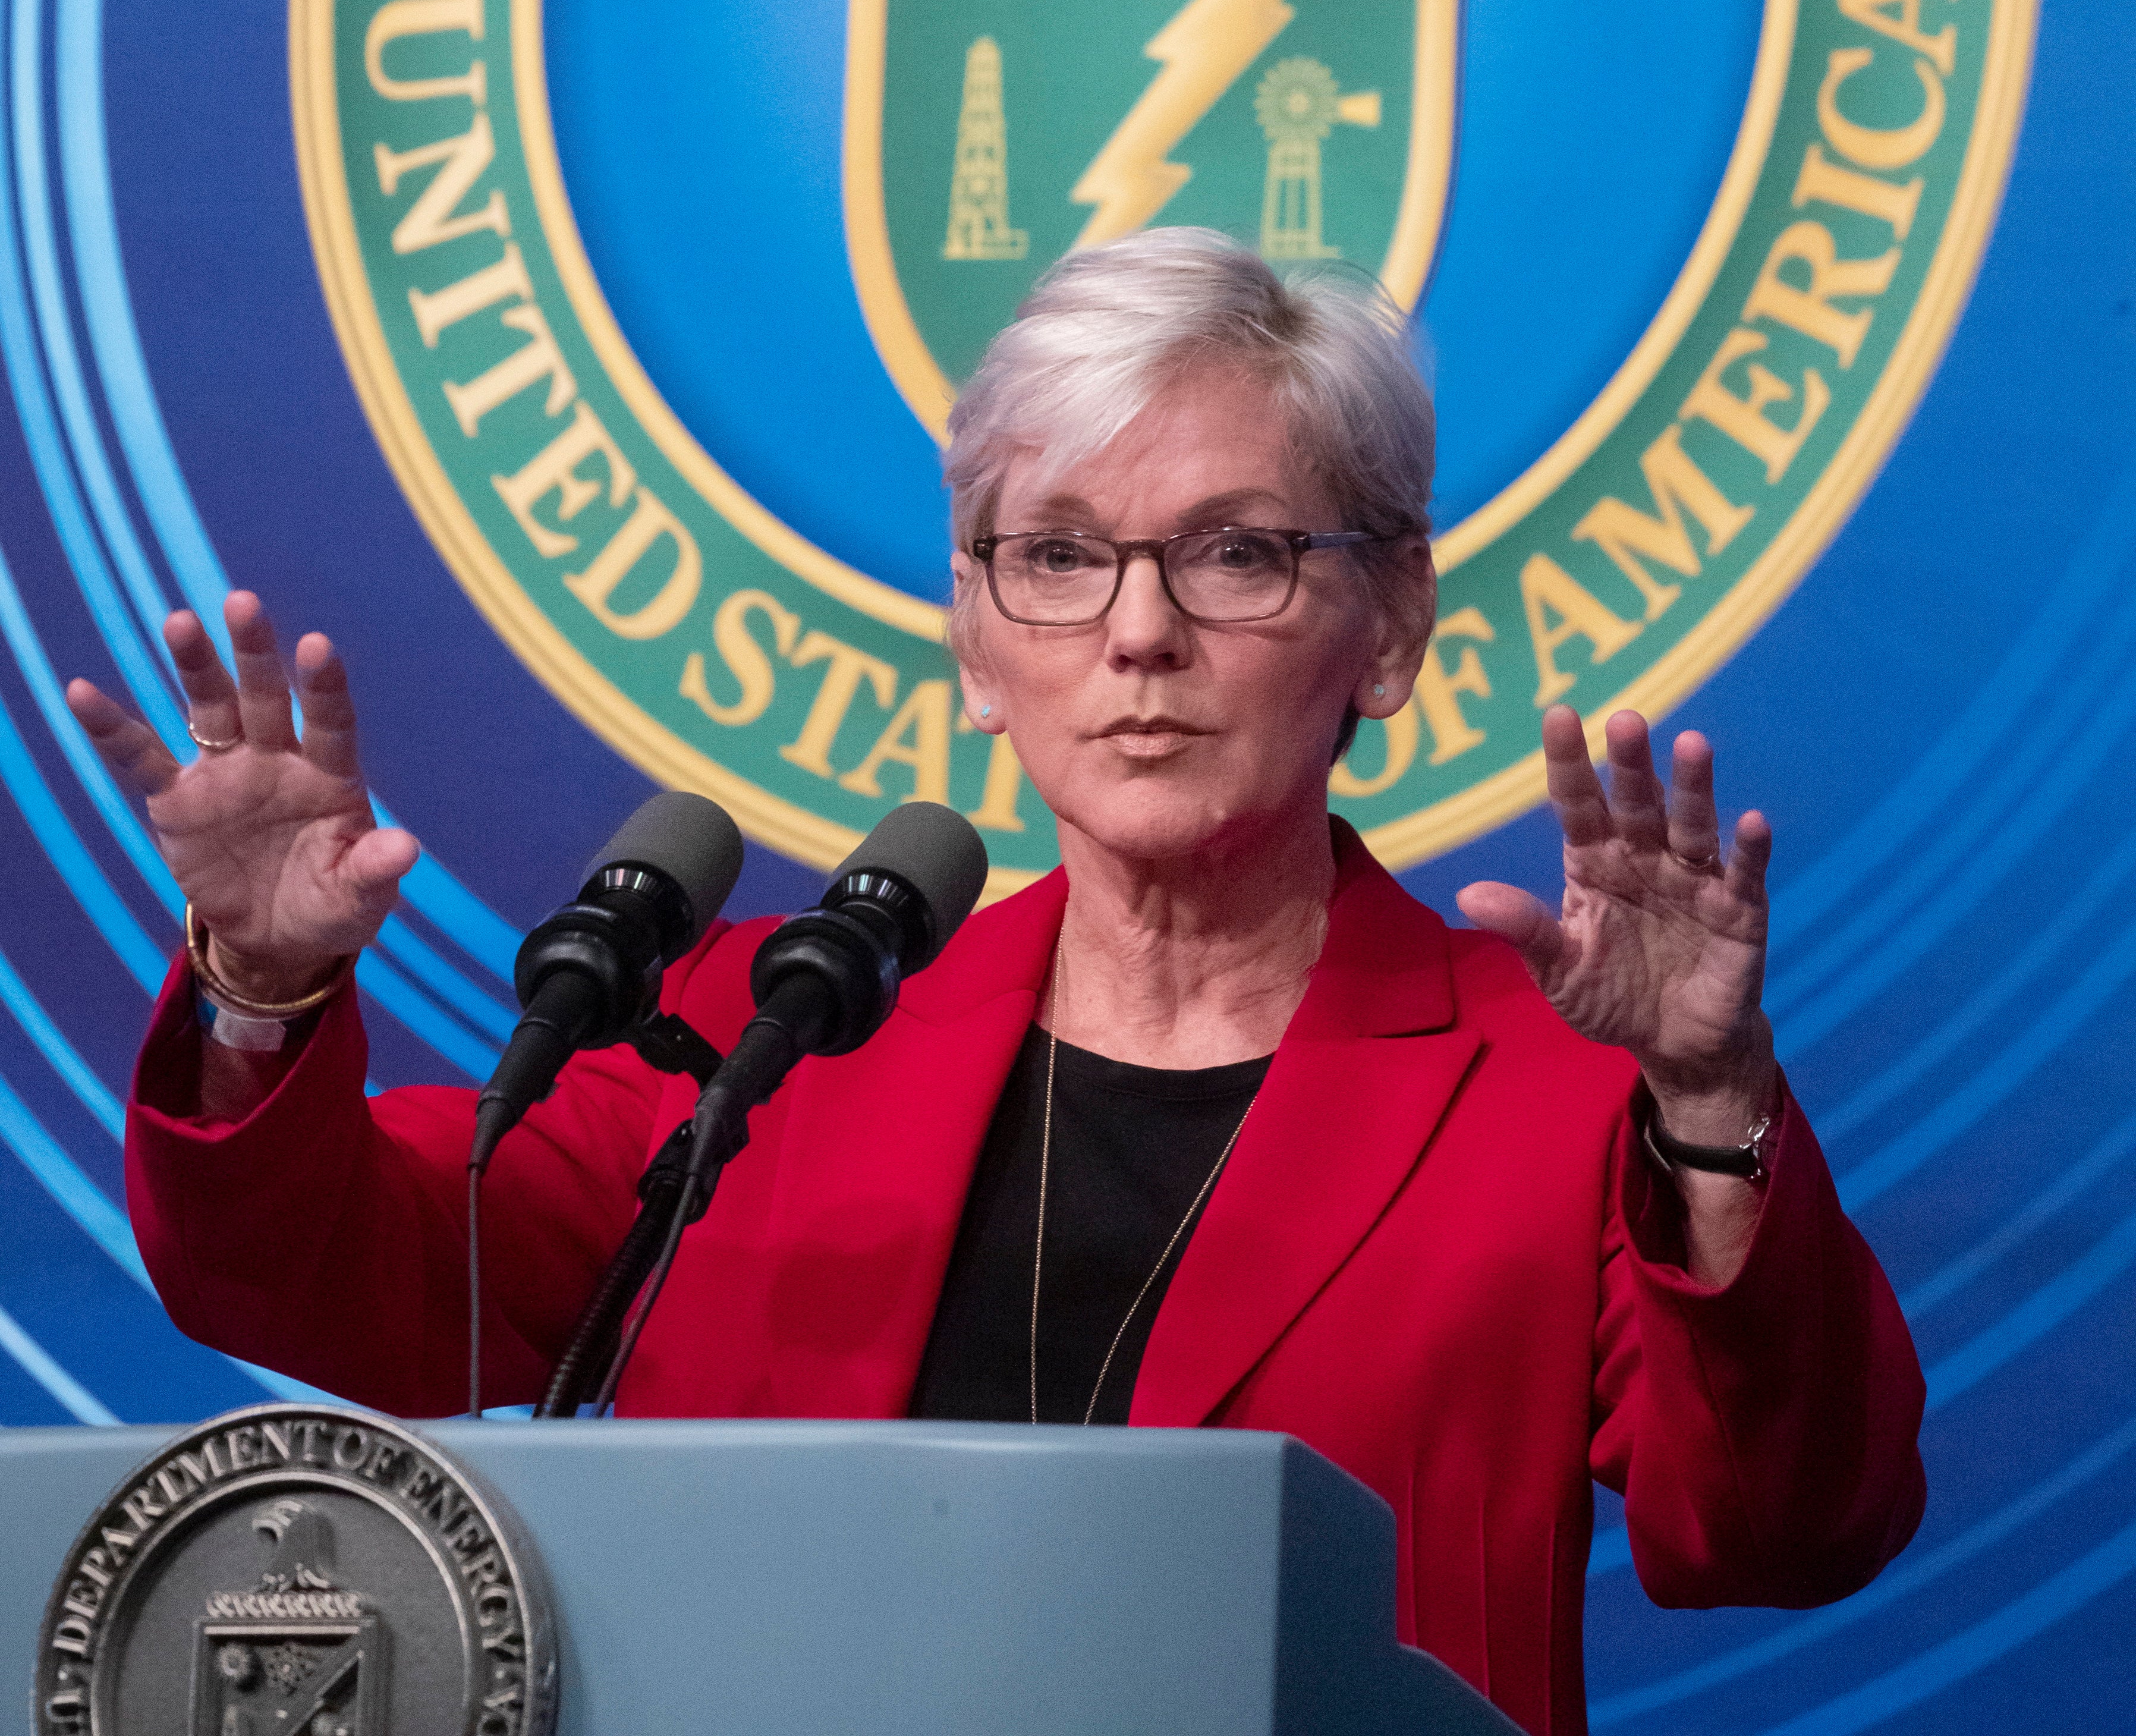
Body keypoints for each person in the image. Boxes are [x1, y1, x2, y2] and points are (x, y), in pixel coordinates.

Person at [74, 229, 1924, 1736]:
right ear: (973, 638)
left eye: (1237, 553)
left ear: (1392, 627)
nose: (1137, 632)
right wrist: (258, 983)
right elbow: (339, 1282)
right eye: (1055, 556)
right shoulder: (759, 1038)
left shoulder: (1551, 1089)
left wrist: (1707, 1109)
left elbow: (1776, 1529)